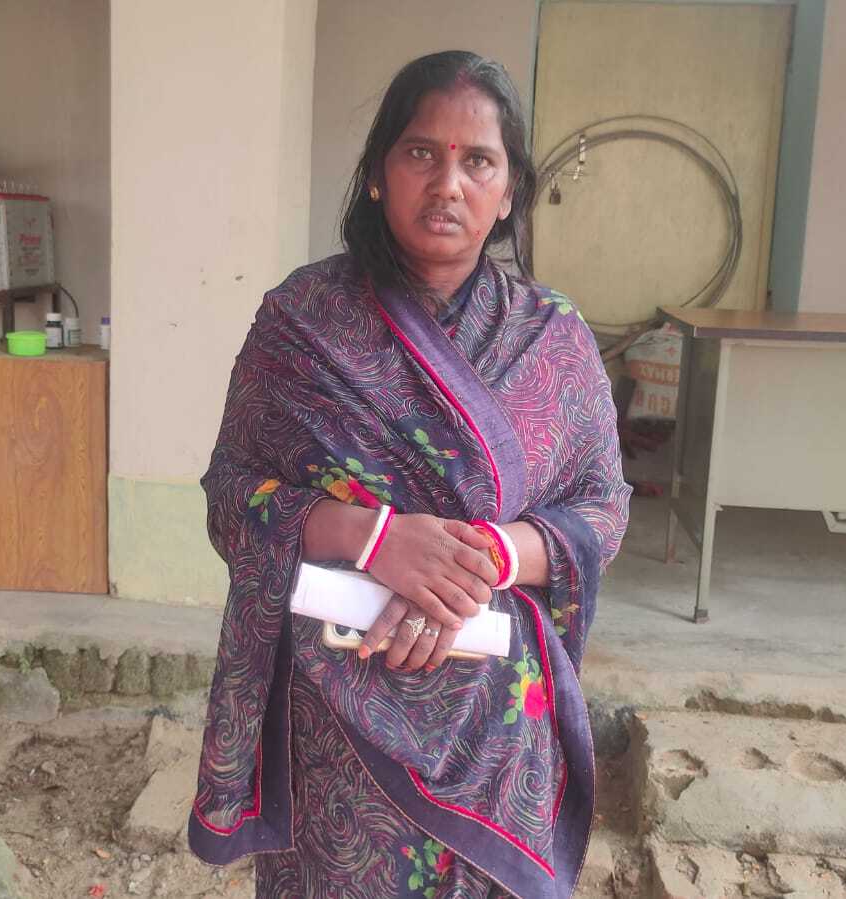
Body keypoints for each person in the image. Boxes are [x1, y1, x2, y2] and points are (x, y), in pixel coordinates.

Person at [189, 49, 631, 899]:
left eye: (478, 161)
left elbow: (601, 511)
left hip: (494, 722)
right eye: (421, 152)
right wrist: (375, 539)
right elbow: (232, 493)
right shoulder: (301, 322)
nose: (448, 184)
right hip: (336, 718)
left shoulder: (552, 338)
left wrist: (475, 565)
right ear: (376, 173)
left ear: (509, 191)